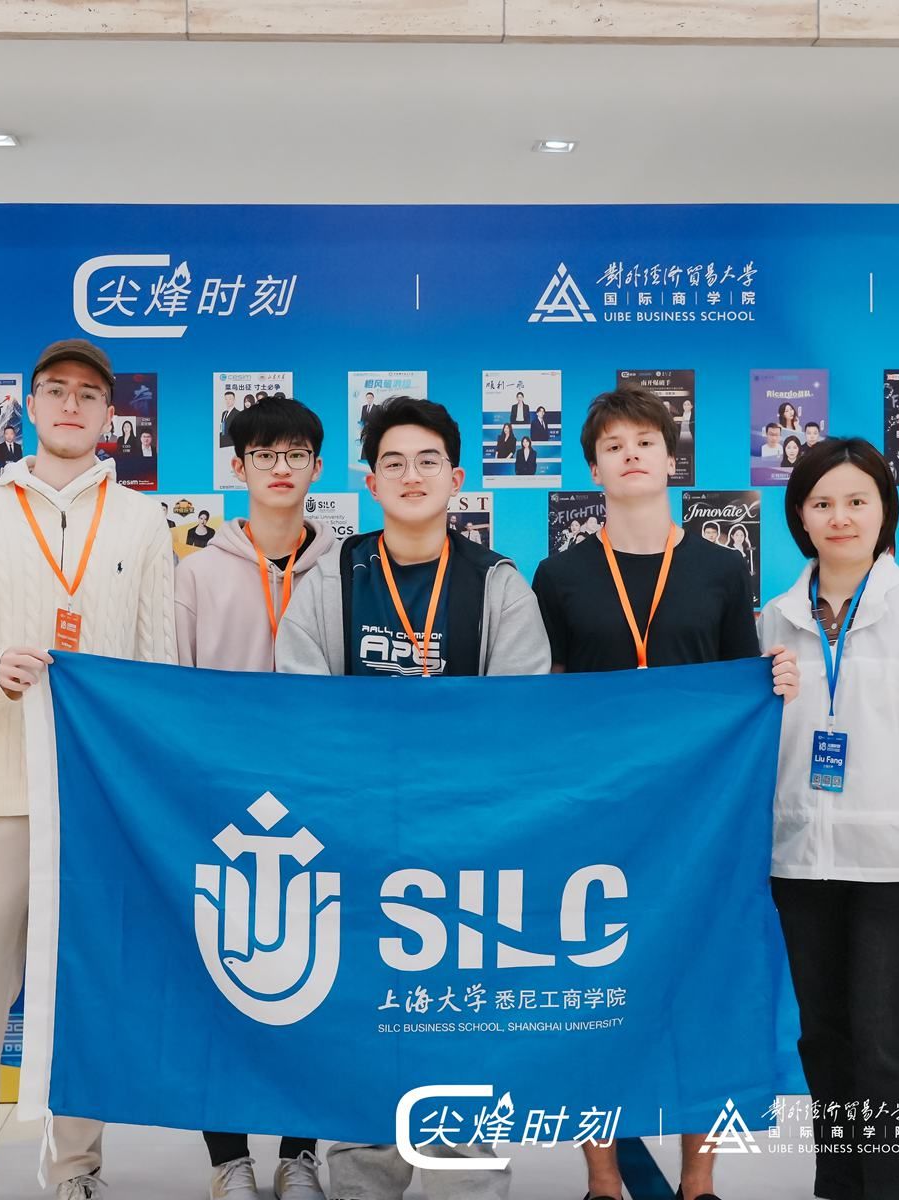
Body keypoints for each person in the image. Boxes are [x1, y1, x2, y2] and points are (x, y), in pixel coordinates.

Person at [0, 338, 175, 1200]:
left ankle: (76, 1170)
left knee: (85, 997)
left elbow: (157, 667)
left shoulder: (142, 521)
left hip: (96, 805)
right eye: (56, 390)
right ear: (29, 405)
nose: (71, 405)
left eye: (88, 394)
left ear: (110, 415)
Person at [531, 388, 798, 1200]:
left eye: (645, 441)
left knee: (702, 985)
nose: (632, 455)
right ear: (594, 468)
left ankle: (699, 1178)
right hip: (599, 813)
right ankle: (603, 1178)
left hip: (698, 820)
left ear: (671, 456)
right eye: (613, 446)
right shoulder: (561, 573)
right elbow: (550, 697)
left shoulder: (721, 568)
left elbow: (741, 686)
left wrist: (774, 678)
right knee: (592, 990)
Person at [277, 394, 546, 1200]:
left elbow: (520, 721)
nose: (411, 475)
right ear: (370, 483)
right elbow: (302, 709)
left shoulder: (497, 584)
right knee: (367, 1023)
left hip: (466, 854)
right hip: (360, 846)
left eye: (429, 461)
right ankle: (362, 1181)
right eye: (392, 462)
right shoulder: (332, 577)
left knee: (462, 1023)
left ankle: (467, 1184)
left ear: (457, 478)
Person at [763, 436, 899, 1200]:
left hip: (892, 865)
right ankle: (844, 1186)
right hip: (800, 863)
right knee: (823, 1042)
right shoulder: (775, 618)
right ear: (800, 516)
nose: (840, 517)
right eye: (822, 503)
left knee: (888, 1047)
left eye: (857, 500)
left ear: (885, 509)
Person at [174, 394, 335, 1200]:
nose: (280, 467)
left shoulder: (346, 567)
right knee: (222, 979)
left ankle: (300, 1153)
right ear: (237, 467)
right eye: (264, 454)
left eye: (295, 453)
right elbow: (170, 692)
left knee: (320, 976)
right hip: (224, 806)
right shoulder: (197, 573)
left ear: (317, 467)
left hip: (319, 801)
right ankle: (227, 1158)